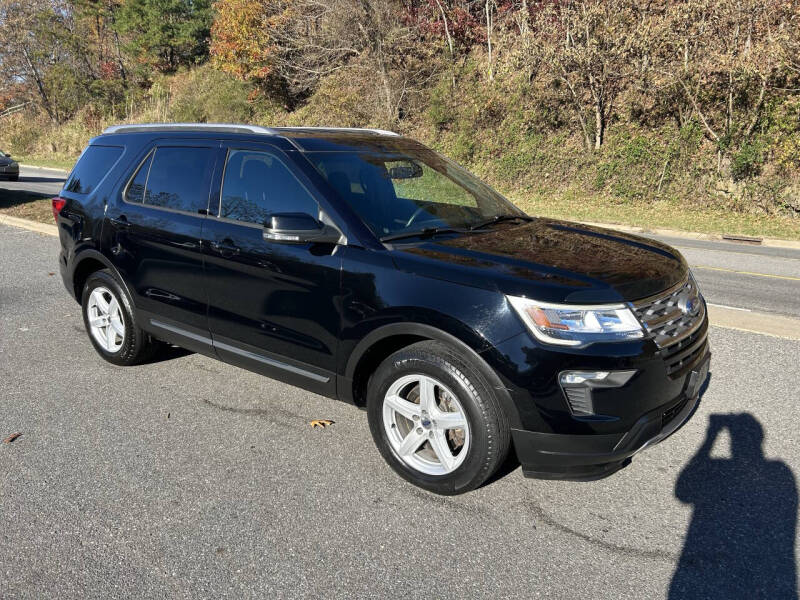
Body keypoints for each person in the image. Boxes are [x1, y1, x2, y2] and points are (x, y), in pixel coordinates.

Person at [670, 413, 798, 599]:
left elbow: (683, 492)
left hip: (706, 570)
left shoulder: (721, 467)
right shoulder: (780, 471)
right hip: (772, 577)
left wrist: (711, 436)